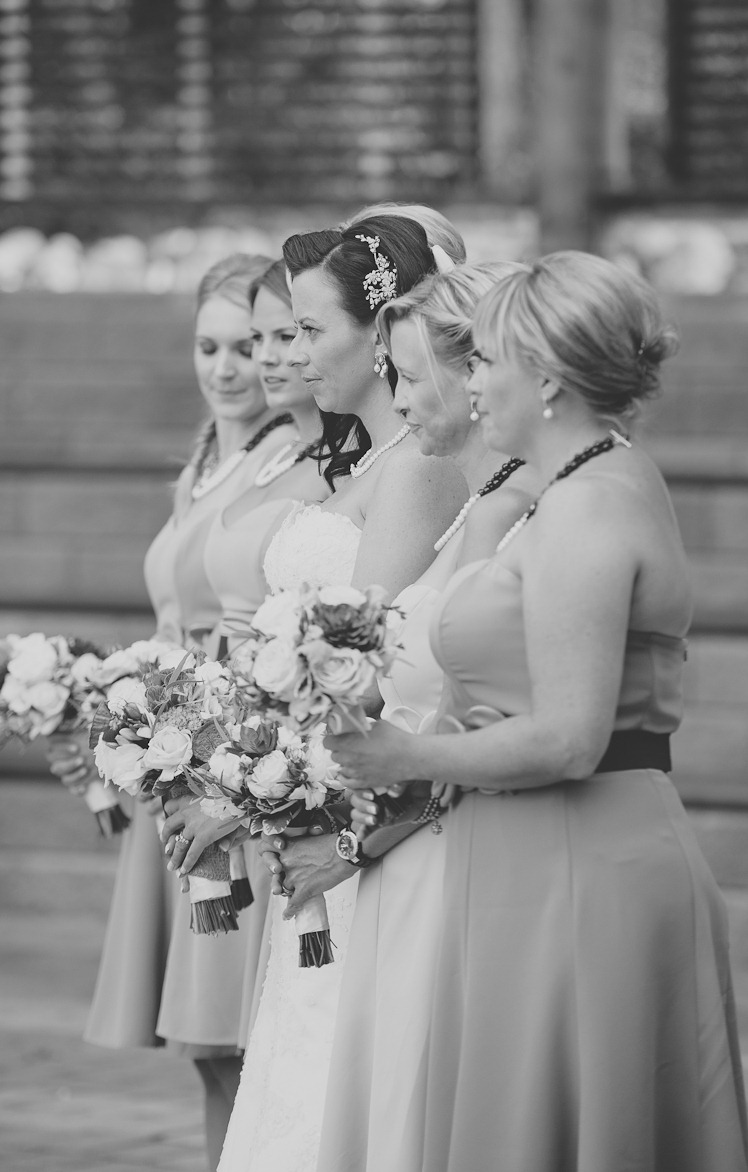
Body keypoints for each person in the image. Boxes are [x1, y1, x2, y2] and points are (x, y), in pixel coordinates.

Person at [327, 251, 748, 1171]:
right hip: (532, 860)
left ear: (547, 377)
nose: (470, 381)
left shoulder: (589, 510)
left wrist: (399, 756)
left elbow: (568, 736)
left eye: (484, 361)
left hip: (576, 868)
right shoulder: (578, 486)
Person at [216, 214, 467, 1172]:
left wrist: (285, 785)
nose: (294, 351)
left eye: (311, 330)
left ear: (382, 332)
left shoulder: (417, 470)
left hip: (375, 807)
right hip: (335, 796)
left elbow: (378, 671)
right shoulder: (364, 462)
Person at [49, 254, 297, 1172]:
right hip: (170, 752)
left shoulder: (287, 460)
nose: (230, 367)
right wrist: (102, 726)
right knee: (205, 1049)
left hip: (226, 753)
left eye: (255, 344)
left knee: (231, 1034)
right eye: (211, 346)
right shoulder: (204, 458)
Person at [314, 261, 539, 1172]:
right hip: (399, 843)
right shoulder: (470, 514)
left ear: (472, 367)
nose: (396, 399)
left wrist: (385, 790)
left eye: (409, 374)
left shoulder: (525, 510)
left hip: (449, 846)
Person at [158, 257, 332, 1053]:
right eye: (225, 344)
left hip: (264, 758)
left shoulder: (316, 467)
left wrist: (240, 775)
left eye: (280, 335)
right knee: (214, 1048)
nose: (255, 361)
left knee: (246, 1042)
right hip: (205, 745)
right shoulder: (236, 463)